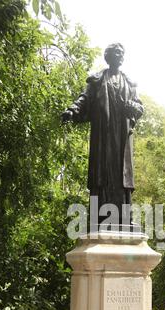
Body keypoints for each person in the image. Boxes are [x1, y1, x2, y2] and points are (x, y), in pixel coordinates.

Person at [62, 43, 143, 227]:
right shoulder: (97, 80)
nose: (120, 56)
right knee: (102, 174)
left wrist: (134, 108)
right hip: (103, 135)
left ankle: (124, 218)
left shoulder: (130, 84)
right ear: (108, 57)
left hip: (122, 136)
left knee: (121, 176)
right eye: (116, 53)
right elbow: (84, 99)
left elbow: (139, 106)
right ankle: (99, 219)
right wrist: (72, 110)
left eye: (122, 53)